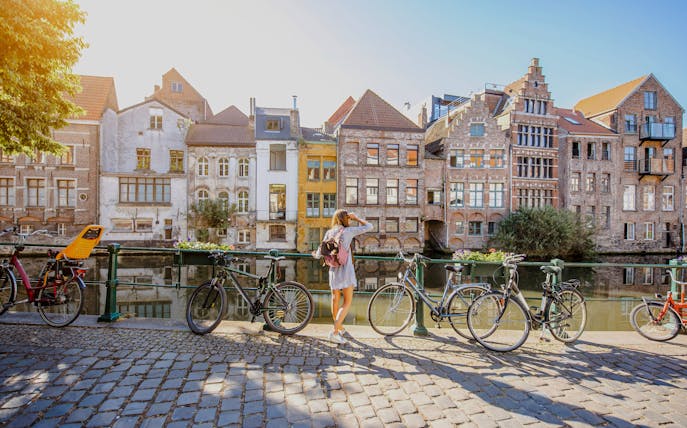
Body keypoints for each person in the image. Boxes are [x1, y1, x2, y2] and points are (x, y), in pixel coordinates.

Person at [313, 209, 372, 344]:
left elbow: (319, 252)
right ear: (346, 219)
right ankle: (334, 331)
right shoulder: (348, 232)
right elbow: (369, 227)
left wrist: (315, 255)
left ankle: (339, 327)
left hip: (333, 270)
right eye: (349, 219)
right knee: (347, 302)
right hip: (345, 271)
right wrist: (356, 218)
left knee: (335, 300)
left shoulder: (330, 232)